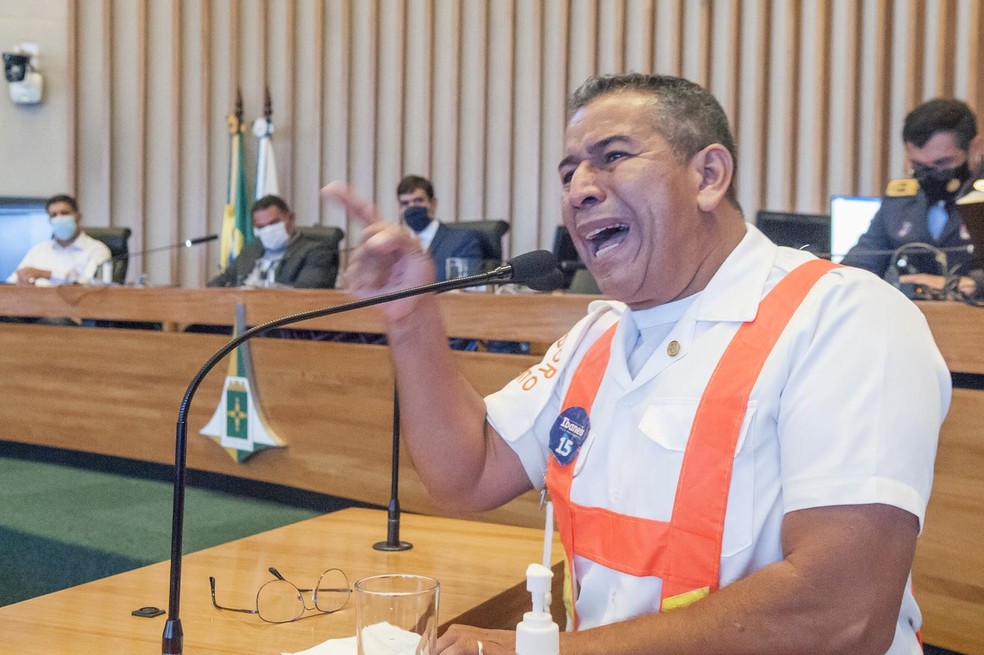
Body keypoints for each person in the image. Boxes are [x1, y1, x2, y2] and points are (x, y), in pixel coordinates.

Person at [325, 73, 949, 654]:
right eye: (568, 172)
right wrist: (411, 321)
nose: (580, 188)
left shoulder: (843, 317)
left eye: (614, 156)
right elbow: (466, 472)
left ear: (709, 175)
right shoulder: (598, 337)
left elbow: (844, 611)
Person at [841, 98, 984, 299]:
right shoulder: (899, 202)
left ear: (975, 147)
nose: (930, 175)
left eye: (942, 163)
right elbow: (860, 265)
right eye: (919, 166)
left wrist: (971, 283)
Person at [208, 194, 339, 288]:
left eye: (273, 223)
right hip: (242, 317)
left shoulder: (317, 252)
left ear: (291, 218)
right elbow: (221, 282)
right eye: (261, 227)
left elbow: (308, 292)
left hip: (285, 321)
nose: (268, 230)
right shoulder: (250, 250)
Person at [6, 194, 111, 286]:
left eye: (64, 213)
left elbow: (88, 284)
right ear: (49, 220)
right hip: (36, 305)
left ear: (78, 217)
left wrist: (45, 274)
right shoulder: (38, 250)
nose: (59, 218)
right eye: (54, 215)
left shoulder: (97, 250)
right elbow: (11, 283)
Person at [396, 175, 483, 281]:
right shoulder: (396, 247)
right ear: (400, 208)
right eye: (405, 203)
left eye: (418, 201)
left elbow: (467, 289)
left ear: (433, 203)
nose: (412, 207)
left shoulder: (463, 241)